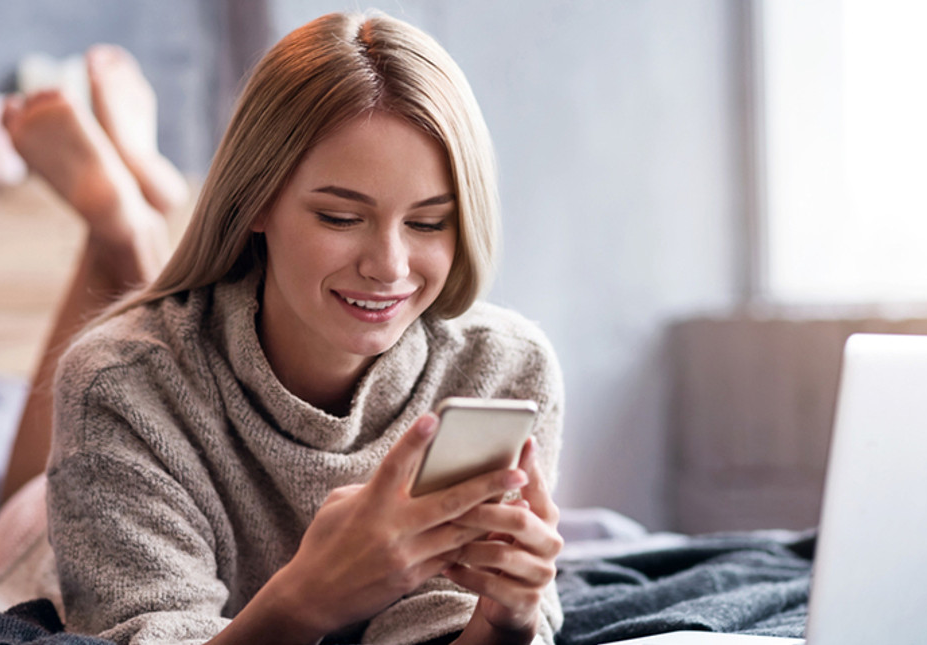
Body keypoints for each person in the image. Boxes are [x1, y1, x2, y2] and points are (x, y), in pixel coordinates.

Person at [37, 11, 565, 645]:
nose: (388, 268)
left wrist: (505, 621)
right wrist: (304, 600)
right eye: (341, 217)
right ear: (255, 199)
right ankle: (119, 224)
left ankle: (135, 201)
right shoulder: (118, 387)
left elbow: (444, 628)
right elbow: (142, 623)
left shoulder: (502, 370)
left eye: (428, 224)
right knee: (41, 456)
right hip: (46, 532)